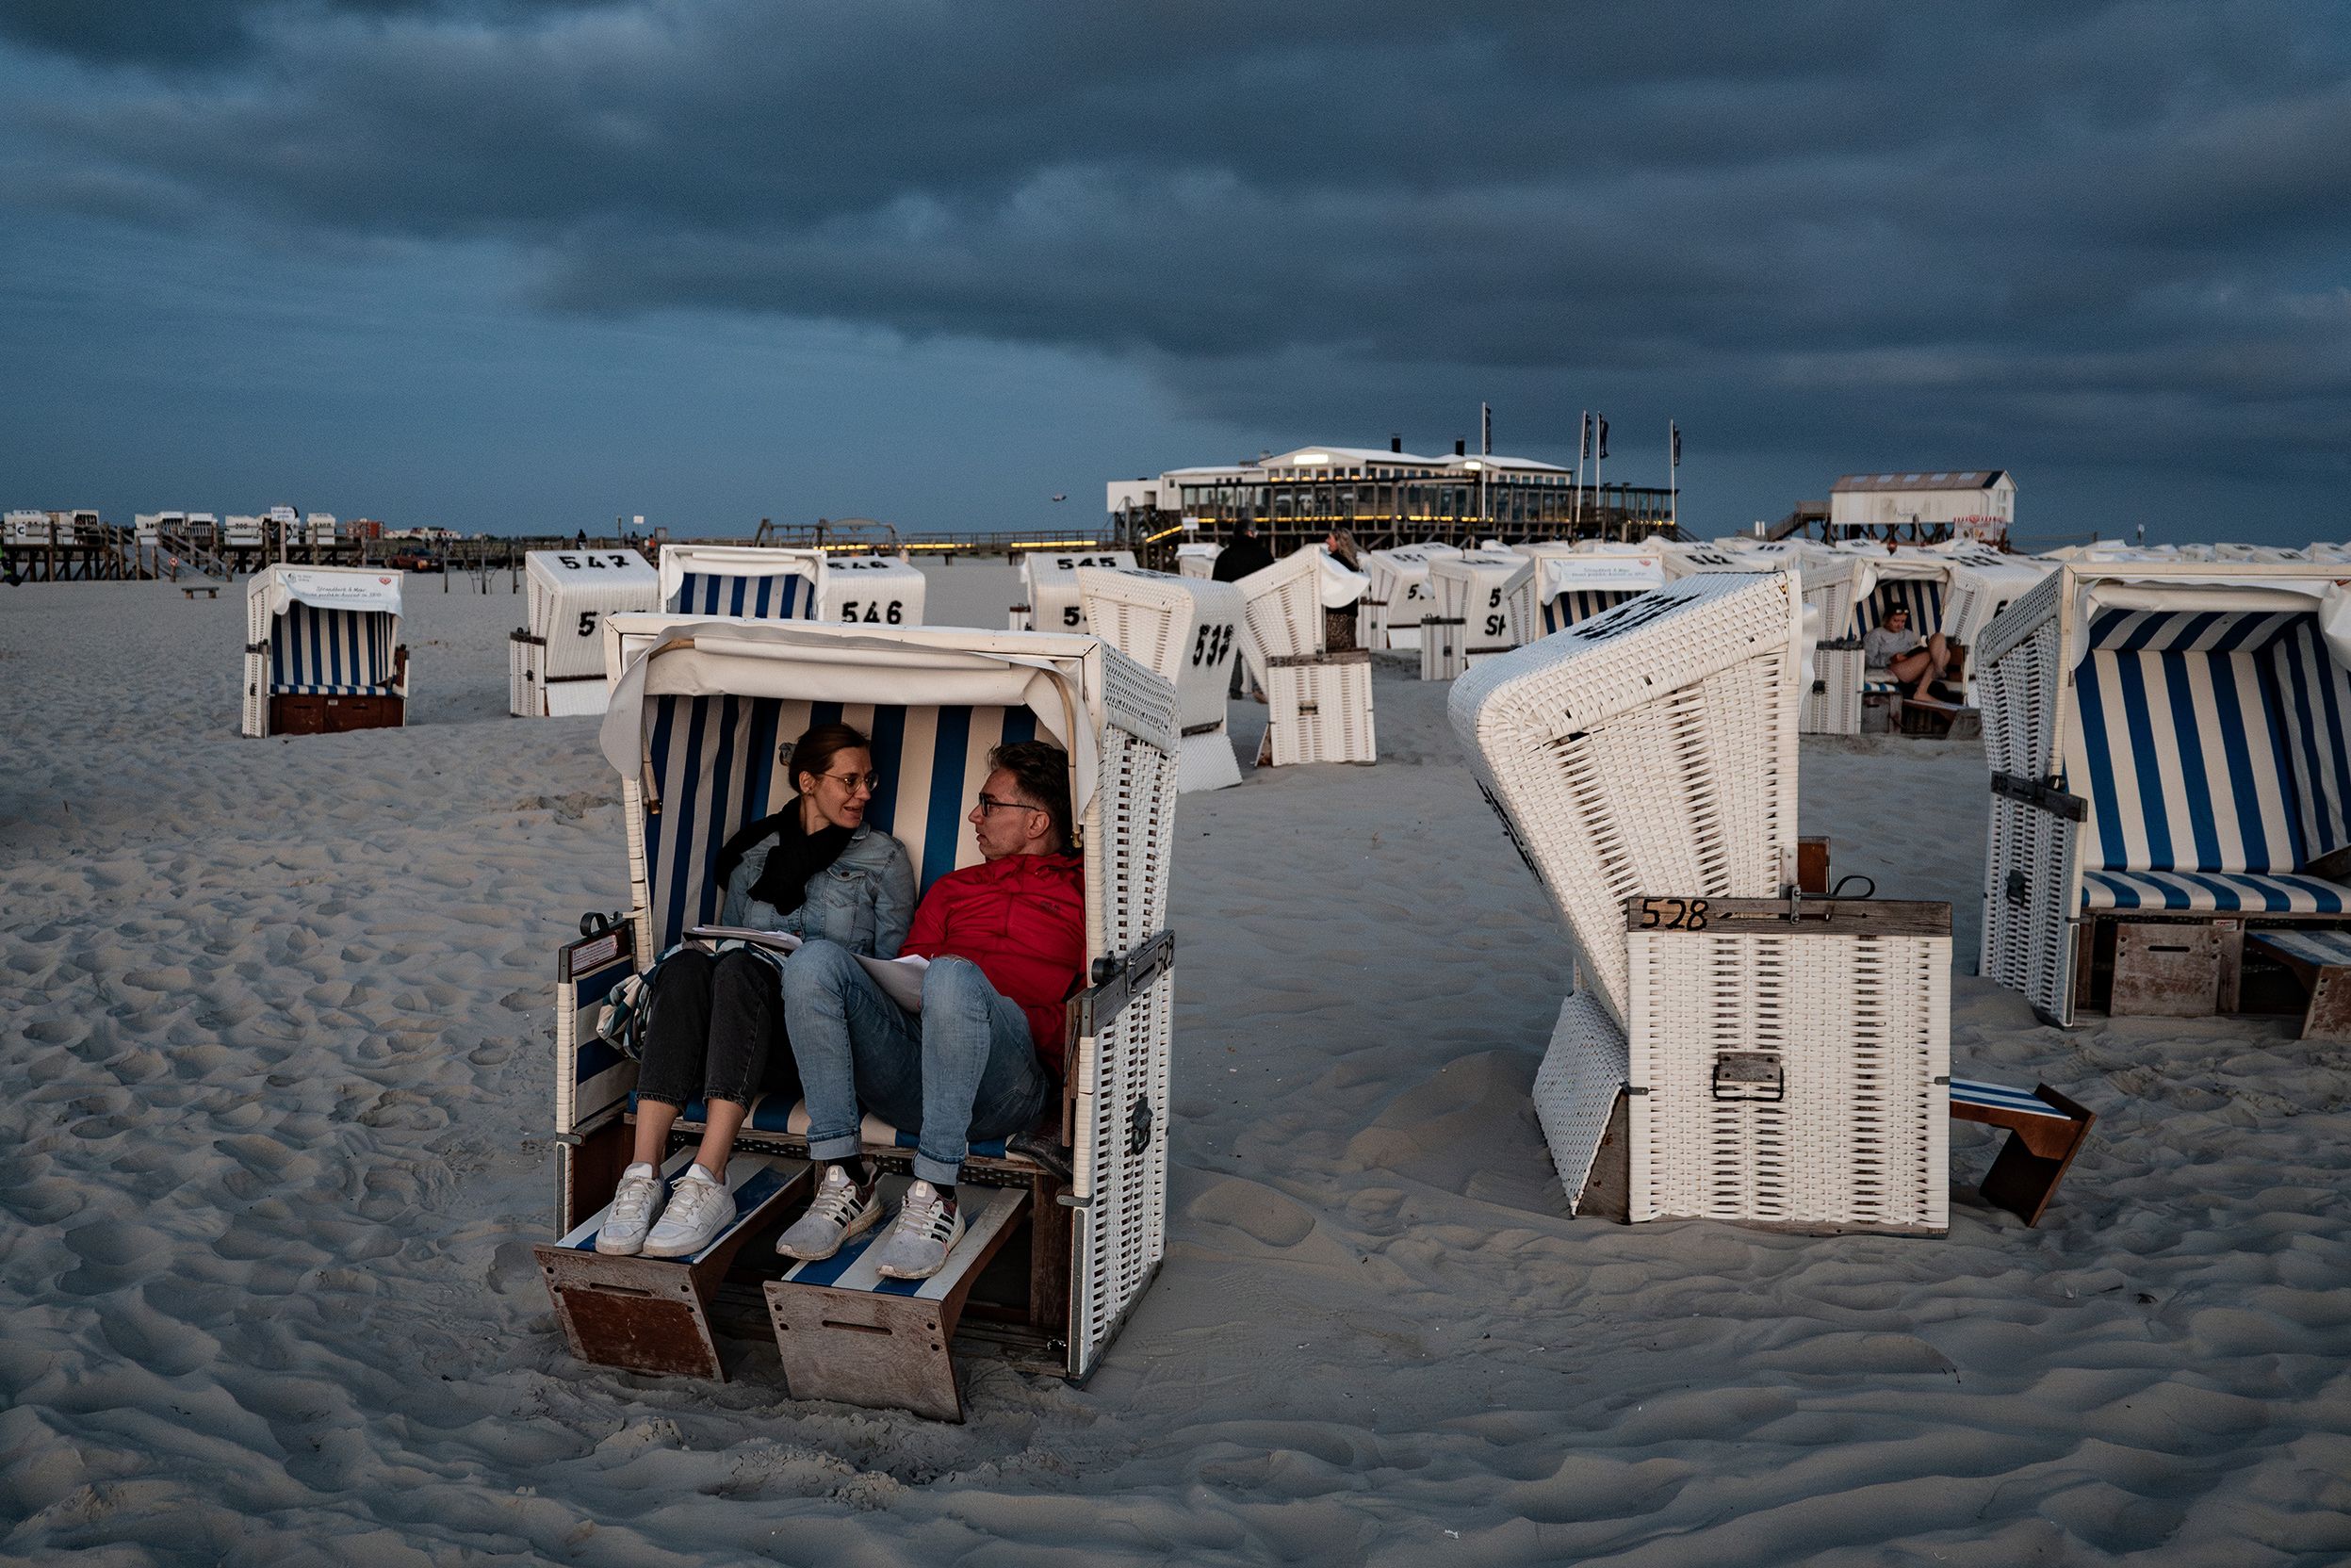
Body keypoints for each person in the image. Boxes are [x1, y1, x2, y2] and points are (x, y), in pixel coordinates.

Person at [597, 723, 915, 1259]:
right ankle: (642, 1174)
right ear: (809, 782)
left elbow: (888, 975)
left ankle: (708, 1174)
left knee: (742, 971)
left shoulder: (883, 859)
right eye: (850, 780)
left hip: (827, 1045)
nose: (865, 793)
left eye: (870, 780)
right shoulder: (753, 856)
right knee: (691, 968)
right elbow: (732, 943)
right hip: (747, 1042)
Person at [777, 740, 1085, 1280]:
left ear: (1037, 822)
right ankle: (844, 1177)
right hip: (910, 1077)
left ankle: (939, 1195)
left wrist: (979, 1014)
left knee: (952, 974)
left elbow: (1087, 1019)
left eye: (989, 804)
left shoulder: (1085, 896)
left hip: (1006, 1086)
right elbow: (907, 978)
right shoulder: (953, 888)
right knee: (814, 961)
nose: (974, 815)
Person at [1861, 604, 1951, 701]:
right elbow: (1868, 662)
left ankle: (1937, 668)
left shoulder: (1908, 634)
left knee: (1939, 637)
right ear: (1886, 619)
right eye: (1895, 621)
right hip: (1896, 667)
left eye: (1902, 621)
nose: (1900, 625)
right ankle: (1923, 688)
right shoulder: (1876, 635)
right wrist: (1889, 660)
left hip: (1912, 663)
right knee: (1941, 654)